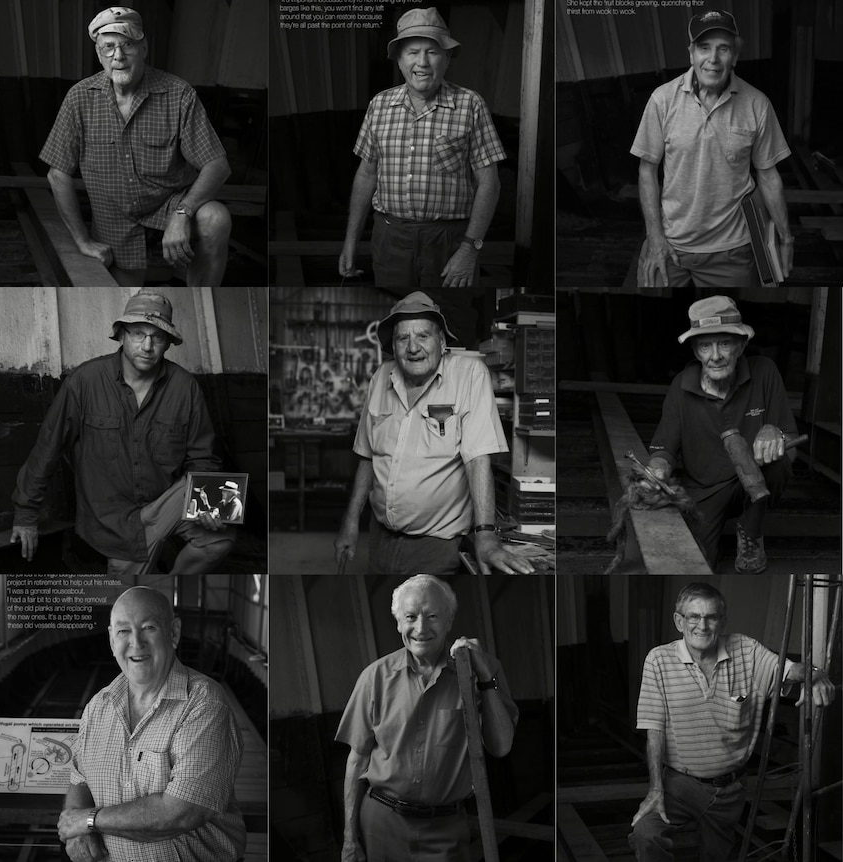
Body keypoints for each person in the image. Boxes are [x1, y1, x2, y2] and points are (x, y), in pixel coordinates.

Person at [10, 289, 235, 575]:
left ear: (168, 344)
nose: (147, 345)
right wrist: (26, 514)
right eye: (138, 333)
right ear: (122, 335)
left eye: (158, 337)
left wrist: (211, 508)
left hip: (166, 504)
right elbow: (48, 448)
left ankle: (169, 579)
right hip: (113, 521)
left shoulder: (185, 387)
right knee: (127, 590)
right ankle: (150, 539)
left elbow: (203, 458)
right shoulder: (85, 381)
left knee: (219, 539)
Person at [629, 582, 835, 862]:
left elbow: (791, 670)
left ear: (722, 621)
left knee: (718, 856)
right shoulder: (658, 660)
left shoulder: (746, 651)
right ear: (679, 621)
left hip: (729, 790)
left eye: (711, 617)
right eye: (694, 617)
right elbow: (654, 728)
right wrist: (655, 789)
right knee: (646, 833)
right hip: (678, 784)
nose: (702, 625)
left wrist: (816, 674)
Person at [333, 291, 535, 576]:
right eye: (403, 338)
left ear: (441, 341)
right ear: (394, 345)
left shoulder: (469, 375)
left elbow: (477, 460)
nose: (413, 347)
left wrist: (486, 535)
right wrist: (351, 519)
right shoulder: (381, 377)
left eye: (423, 336)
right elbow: (368, 455)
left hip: (437, 546)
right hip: (380, 540)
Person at [40, 6, 232, 287]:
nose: (118, 56)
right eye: (108, 48)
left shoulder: (178, 94)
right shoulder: (79, 98)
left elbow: (218, 165)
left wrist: (183, 214)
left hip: (171, 204)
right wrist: (82, 241)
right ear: (99, 54)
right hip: (115, 217)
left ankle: (201, 300)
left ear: (143, 48)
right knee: (129, 296)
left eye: (127, 45)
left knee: (216, 218)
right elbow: (57, 174)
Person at [336, 574, 518, 862]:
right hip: (382, 824)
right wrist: (349, 838)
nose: (420, 628)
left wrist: (485, 678)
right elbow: (356, 761)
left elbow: (502, 746)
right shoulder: (375, 677)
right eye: (410, 617)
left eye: (432, 616)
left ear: (449, 621)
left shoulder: (481, 670)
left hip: (446, 828)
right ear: (398, 623)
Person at [57, 586, 246, 862]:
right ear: (111, 640)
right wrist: (79, 831)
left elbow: (180, 814)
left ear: (174, 632)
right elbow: (79, 779)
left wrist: (89, 820)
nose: (136, 642)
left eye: (148, 627)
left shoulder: (204, 704)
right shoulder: (98, 707)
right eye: (123, 631)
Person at [338, 7, 506, 288]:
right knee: (392, 310)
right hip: (390, 236)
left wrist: (469, 249)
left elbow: (490, 182)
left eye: (433, 51)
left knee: (453, 316)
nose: (422, 62)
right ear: (400, 60)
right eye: (413, 52)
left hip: (448, 240)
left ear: (448, 58)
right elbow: (366, 175)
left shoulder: (469, 104)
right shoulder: (379, 105)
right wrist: (350, 241)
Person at [630, 8, 793, 287]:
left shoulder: (757, 104)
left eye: (724, 49)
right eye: (704, 48)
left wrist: (786, 237)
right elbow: (647, 171)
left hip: (733, 248)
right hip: (670, 244)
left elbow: (768, 175)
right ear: (691, 54)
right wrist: (654, 237)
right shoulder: (662, 100)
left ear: (735, 56)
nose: (713, 59)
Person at [644, 295, 797, 573]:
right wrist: (657, 467)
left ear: (741, 346)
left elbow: (790, 441)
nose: (715, 356)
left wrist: (774, 431)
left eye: (724, 343)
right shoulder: (681, 386)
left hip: (752, 482)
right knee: (695, 562)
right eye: (705, 345)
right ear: (695, 351)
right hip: (704, 491)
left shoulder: (764, 372)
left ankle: (751, 531)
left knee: (777, 460)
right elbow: (664, 448)